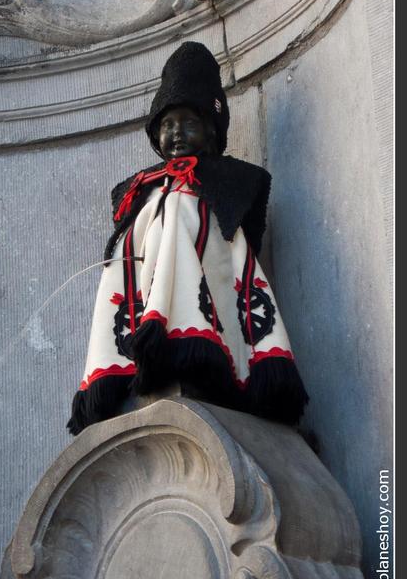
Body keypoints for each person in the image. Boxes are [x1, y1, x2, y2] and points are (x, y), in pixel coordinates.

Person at [68, 41, 308, 435]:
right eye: (167, 124)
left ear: (212, 129)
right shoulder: (141, 189)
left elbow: (243, 237)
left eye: (188, 122)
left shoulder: (232, 180)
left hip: (210, 277)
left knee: (182, 208)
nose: (176, 133)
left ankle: (200, 346)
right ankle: (137, 357)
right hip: (144, 285)